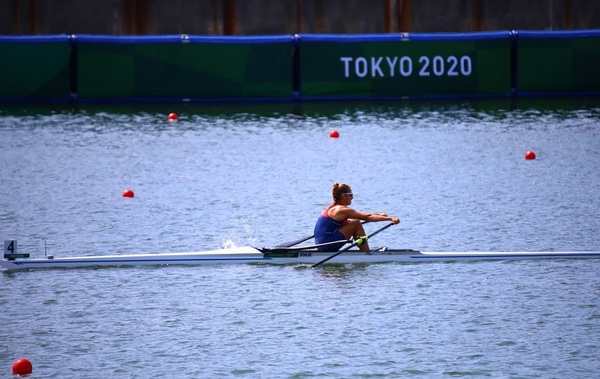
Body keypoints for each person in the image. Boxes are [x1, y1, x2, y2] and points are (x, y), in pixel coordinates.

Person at [314, 183, 400, 252]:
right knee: (356, 223)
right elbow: (367, 217)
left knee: (351, 222)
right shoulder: (342, 210)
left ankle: (365, 252)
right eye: (351, 195)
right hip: (327, 244)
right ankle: (366, 253)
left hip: (321, 244)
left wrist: (378, 214)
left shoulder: (332, 207)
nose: (353, 197)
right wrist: (390, 219)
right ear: (344, 196)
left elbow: (361, 214)